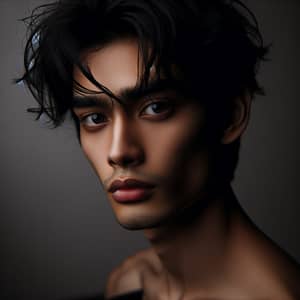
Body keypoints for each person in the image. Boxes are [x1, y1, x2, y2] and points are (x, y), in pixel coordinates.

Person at [17, 0, 300, 299]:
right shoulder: (132, 282)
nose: (118, 151)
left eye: (156, 108)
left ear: (230, 115)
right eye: (95, 118)